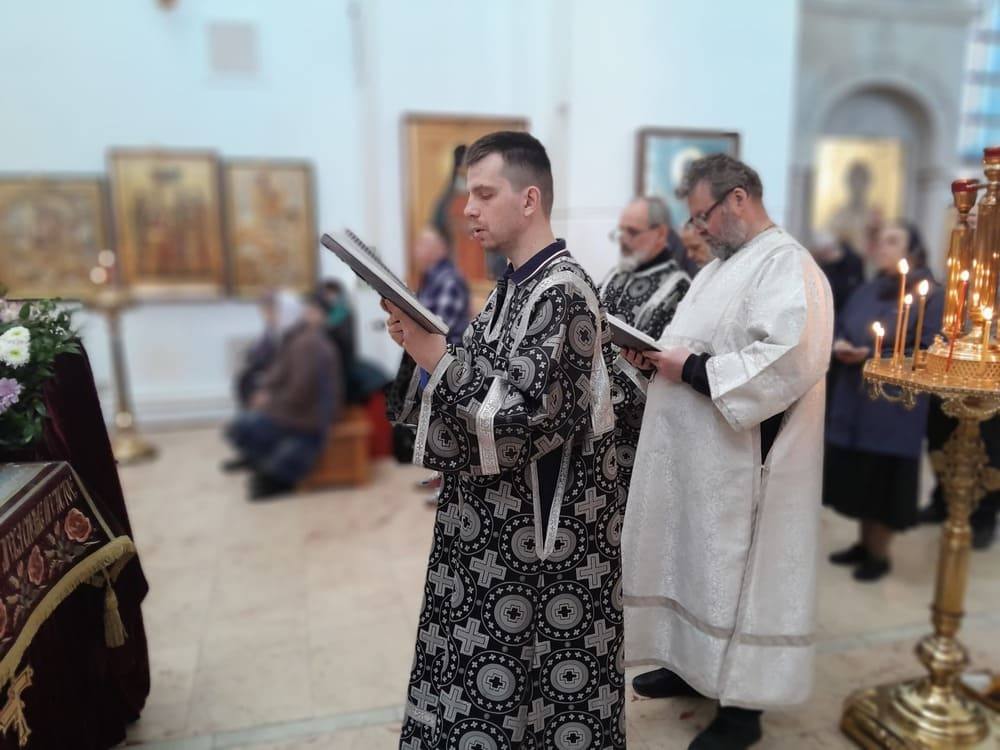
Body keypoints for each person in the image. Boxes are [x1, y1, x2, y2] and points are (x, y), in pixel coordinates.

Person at [384, 131, 625, 749]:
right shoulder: (514, 285)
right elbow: (477, 374)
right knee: (475, 673)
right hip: (490, 526)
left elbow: (522, 421)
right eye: (469, 195)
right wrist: (421, 345)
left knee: (531, 691)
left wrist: (435, 354)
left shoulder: (562, 292)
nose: (469, 209)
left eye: (484, 194)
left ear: (529, 199)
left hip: (539, 543)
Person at [620, 153, 834, 749]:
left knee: (735, 576)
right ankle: (691, 665)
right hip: (698, 460)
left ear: (738, 198)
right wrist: (653, 357)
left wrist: (688, 367)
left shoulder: (788, 265)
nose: (699, 229)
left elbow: (788, 359)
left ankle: (742, 709)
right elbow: (690, 345)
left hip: (743, 469)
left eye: (702, 215)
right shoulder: (719, 268)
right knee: (693, 566)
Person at [825, 221, 944, 580]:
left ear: (913, 251)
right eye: (881, 240)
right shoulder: (869, 287)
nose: (883, 246)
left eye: (893, 241)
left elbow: (928, 349)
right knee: (860, 481)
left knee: (883, 484)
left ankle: (880, 554)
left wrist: (872, 355)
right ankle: (864, 544)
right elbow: (842, 323)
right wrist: (840, 344)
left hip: (893, 407)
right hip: (854, 399)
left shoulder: (929, 294)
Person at [601, 195, 690, 491]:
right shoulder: (614, 275)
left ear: (660, 233)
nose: (624, 240)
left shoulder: (678, 288)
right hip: (596, 423)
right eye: (621, 231)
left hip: (638, 431)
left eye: (633, 232)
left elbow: (667, 363)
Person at [225, 293, 343, 500]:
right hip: (295, 407)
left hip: (309, 415)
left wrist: (269, 402)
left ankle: (273, 469)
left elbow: (301, 392)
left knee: (251, 436)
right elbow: (278, 373)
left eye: (273, 312)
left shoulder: (307, 343)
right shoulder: (294, 338)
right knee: (242, 426)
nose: (269, 317)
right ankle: (259, 459)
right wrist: (265, 391)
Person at [233, 290, 303, 408]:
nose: (268, 315)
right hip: (268, 379)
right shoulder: (271, 330)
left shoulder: (296, 337)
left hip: (280, 390)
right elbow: (256, 353)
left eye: (273, 311)